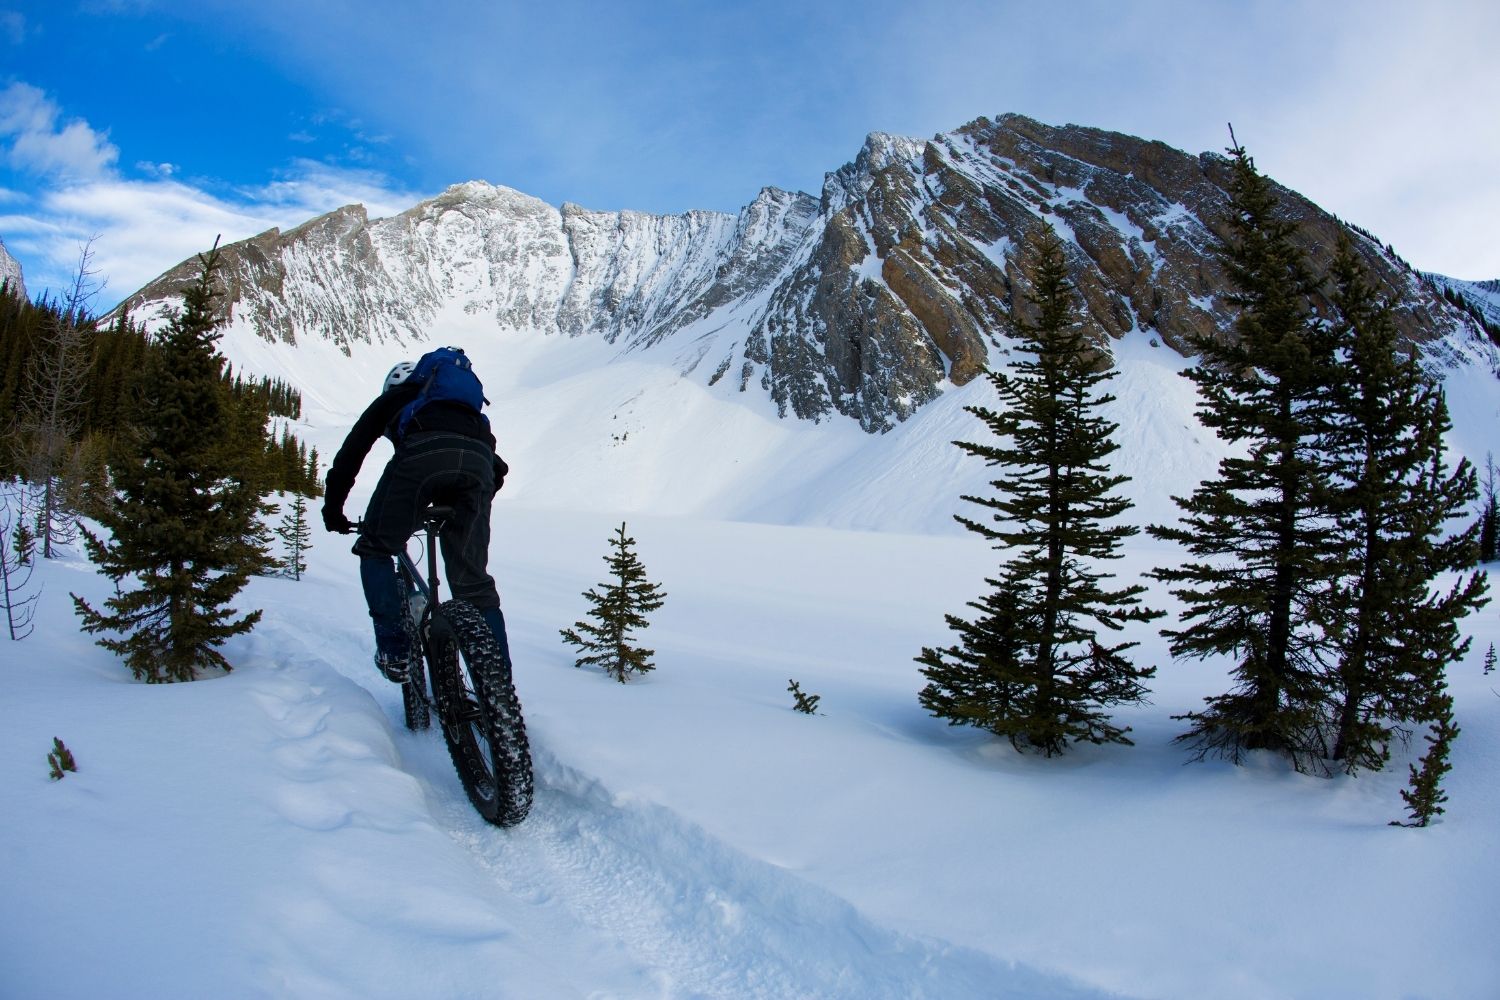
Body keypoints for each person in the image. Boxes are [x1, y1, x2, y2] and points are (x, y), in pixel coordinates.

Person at [322, 347, 512, 682]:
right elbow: (496, 468)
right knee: (474, 585)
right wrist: (465, 508)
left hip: (421, 460)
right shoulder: (466, 410)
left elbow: (351, 454)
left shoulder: (395, 399)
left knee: (376, 548)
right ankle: (498, 686)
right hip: (478, 468)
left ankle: (395, 652)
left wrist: (333, 509)